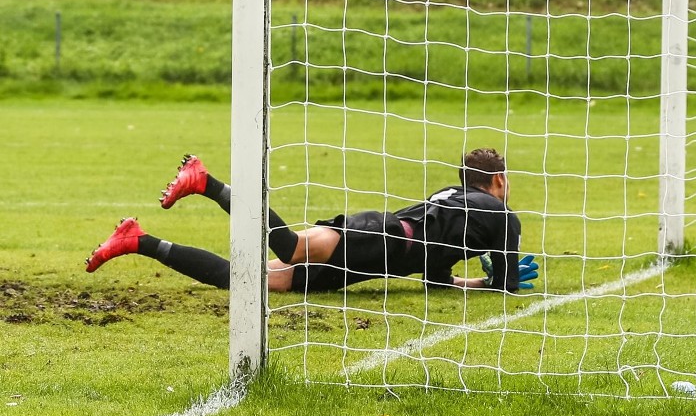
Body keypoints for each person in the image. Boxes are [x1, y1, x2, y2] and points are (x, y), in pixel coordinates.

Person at [85, 148, 538, 293]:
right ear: (499, 179)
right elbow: (509, 288)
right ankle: (206, 183)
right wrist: (498, 277)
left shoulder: (452, 199)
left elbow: (434, 274)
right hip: (379, 239)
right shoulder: (504, 217)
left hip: (380, 254)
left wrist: (474, 281)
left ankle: (138, 241)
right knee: (291, 248)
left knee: (252, 283)